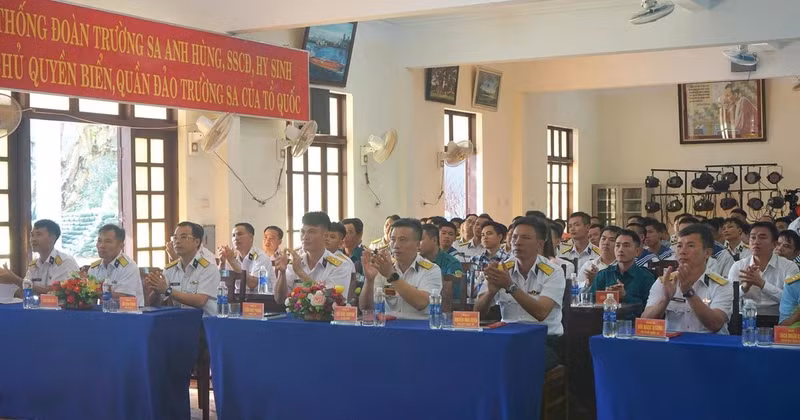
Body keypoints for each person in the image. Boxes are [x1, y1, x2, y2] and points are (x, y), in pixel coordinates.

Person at [474, 217, 565, 370]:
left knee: (516, 363)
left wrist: (510, 286)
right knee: (476, 358)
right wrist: (490, 292)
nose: (517, 242)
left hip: (544, 340)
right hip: (507, 337)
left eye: (525, 237)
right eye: (514, 237)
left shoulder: (553, 272)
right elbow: (477, 313)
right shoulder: (502, 268)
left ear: (539, 244)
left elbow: (541, 312)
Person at [642, 224, 733, 334]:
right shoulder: (665, 282)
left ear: (707, 253)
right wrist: (665, 299)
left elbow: (715, 325)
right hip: (675, 346)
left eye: (690, 246)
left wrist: (688, 292)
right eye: (679, 246)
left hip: (710, 347)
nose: (682, 251)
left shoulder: (721, 285)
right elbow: (645, 322)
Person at [360, 218, 442, 320]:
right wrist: (369, 280)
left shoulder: (431, 270)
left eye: (402, 240)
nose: (396, 245)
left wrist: (391, 275)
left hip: (420, 328)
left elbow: (421, 303)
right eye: (393, 240)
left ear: (417, 245)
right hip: (389, 327)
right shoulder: (383, 267)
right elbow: (366, 308)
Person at [274, 212, 352, 303]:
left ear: (325, 236)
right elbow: (279, 299)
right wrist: (282, 273)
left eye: (312, 232)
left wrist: (300, 273)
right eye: (303, 232)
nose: (305, 237)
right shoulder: (295, 262)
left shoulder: (341, 265)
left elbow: (330, 300)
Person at [146, 222, 220, 316]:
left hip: (205, 324)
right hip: (180, 322)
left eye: (183, 237)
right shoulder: (170, 269)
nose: (177, 241)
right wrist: (156, 290)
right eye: (175, 238)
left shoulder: (208, 268)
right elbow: (153, 304)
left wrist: (167, 290)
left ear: (196, 242)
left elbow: (200, 301)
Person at [728, 222, 799, 317]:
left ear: (774, 244)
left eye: (762, 237)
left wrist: (762, 284)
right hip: (745, 318)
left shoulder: (789, 267)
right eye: (753, 237)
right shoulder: (738, 266)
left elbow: (792, 300)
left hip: (779, 320)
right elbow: (728, 298)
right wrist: (744, 287)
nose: (756, 242)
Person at [0, 219, 78, 296]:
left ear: (52, 238)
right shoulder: (33, 265)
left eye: (38, 234)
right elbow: (25, 291)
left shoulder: (65, 262)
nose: (33, 239)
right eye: (32, 235)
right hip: (36, 307)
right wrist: (7, 281)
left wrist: (15, 279)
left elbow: (54, 292)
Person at [590, 229, 655, 317]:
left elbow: (650, 311)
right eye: (617, 245)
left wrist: (625, 296)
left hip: (634, 326)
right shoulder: (603, 275)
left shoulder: (646, 277)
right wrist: (605, 297)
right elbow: (590, 306)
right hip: (605, 324)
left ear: (637, 251)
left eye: (626, 246)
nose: (620, 250)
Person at [88, 224, 144, 307]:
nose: (101, 246)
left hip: (129, 314)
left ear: (121, 245)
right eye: (99, 241)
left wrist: (99, 292)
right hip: (104, 314)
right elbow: (90, 300)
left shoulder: (129, 266)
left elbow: (125, 298)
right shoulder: (94, 268)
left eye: (108, 241)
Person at [218, 222, 275, 292]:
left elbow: (253, 284)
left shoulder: (260, 256)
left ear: (251, 237)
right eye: (233, 235)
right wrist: (222, 263)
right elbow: (221, 281)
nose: (235, 238)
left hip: (261, 299)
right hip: (238, 298)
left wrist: (232, 261)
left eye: (239, 234)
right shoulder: (233, 256)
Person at [419, 224, 463, 296]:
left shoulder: (452, 263)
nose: (417, 243)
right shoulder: (415, 260)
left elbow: (454, 294)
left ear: (434, 240)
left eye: (420, 239)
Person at [577, 226, 620, 290]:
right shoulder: (589, 265)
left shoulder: (622, 266)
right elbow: (576, 289)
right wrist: (588, 283)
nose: (606, 243)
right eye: (603, 239)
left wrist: (597, 279)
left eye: (612, 240)